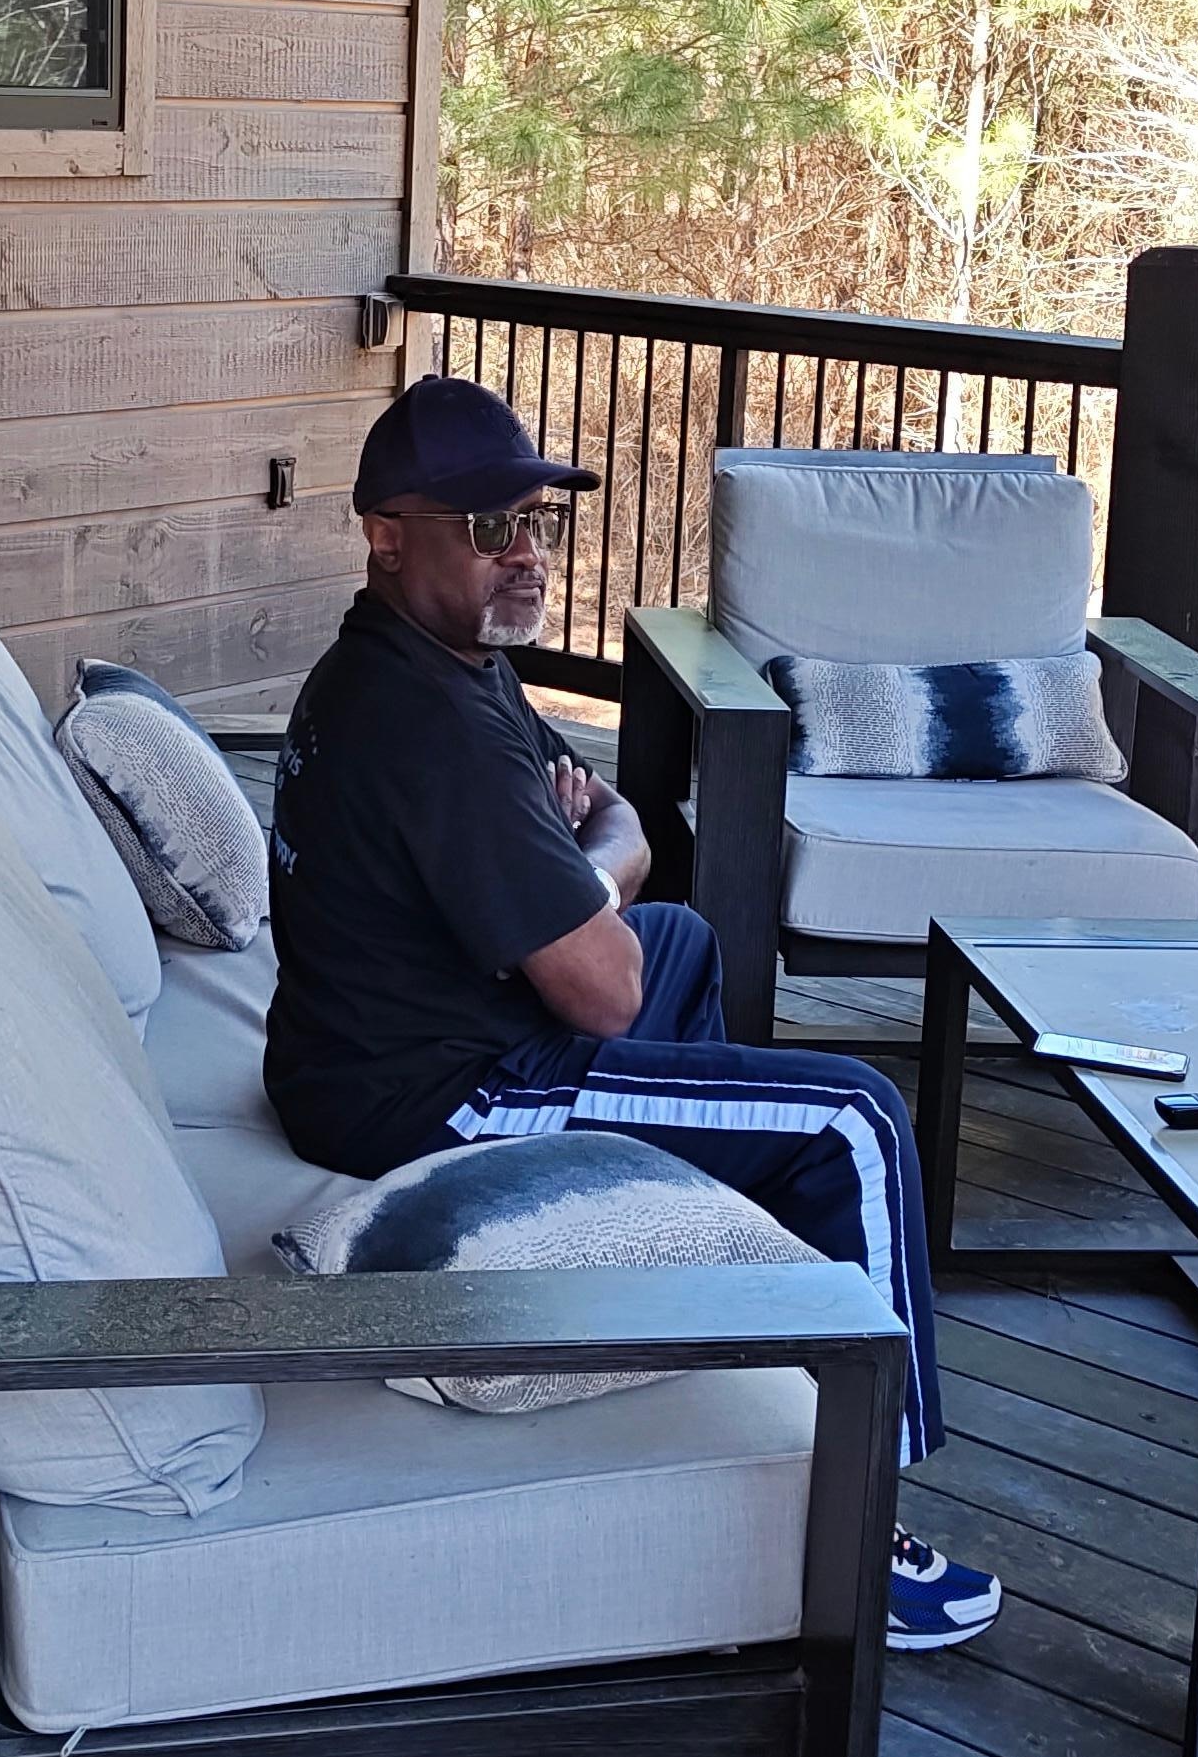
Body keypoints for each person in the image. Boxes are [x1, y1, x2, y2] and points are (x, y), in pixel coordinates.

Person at [266, 374, 1001, 1651]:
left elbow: (605, 829)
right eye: (488, 526)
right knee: (855, 1120)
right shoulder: (423, 723)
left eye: (537, 520)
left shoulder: (440, 662)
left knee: (685, 943)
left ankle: (699, 1271)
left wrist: (595, 865)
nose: (526, 551)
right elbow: (600, 961)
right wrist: (602, 863)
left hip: (394, 1035)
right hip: (433, 1088)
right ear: (386, 533)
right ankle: (859, 1518)